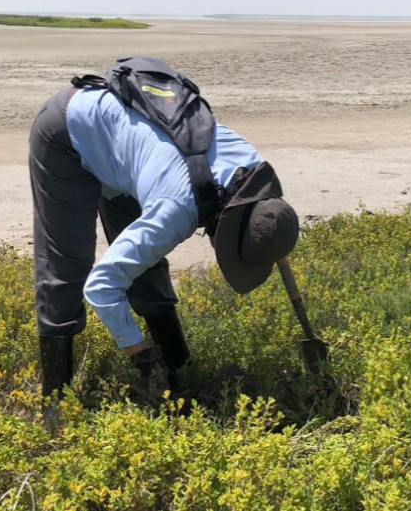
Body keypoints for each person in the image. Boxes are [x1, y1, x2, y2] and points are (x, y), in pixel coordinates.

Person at [28, 57, 300, 419]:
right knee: (67, 263)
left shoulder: (253, 172)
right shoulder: (176, 209)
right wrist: (141, 358)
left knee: (146, 263)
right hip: (68, 129)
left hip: (135, 146)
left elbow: (265, 220)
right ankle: (53, 408)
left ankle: (179, 367)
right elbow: (102, 288)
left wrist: (273, 232)